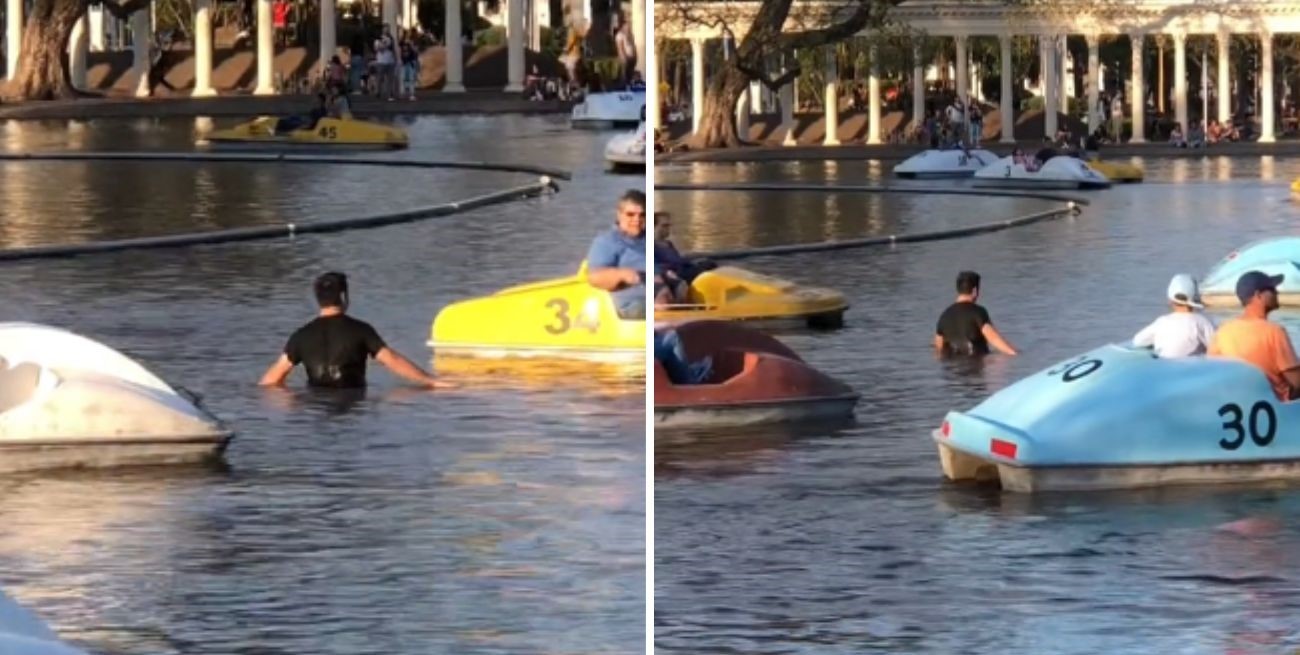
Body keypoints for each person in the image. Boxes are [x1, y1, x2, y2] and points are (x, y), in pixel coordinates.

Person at [259, 272, 454, 389]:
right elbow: (391, 360)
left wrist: (291, 400)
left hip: (314, 405)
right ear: (344, 297)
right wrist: (431, 381)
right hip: (353, 401)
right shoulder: (361, 330)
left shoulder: (301, 336)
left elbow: (270, 381)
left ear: (318, 298)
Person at [1208, 271, 1300, 400]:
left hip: (1238, 401)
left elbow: (1212, 373)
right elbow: (1296, 383)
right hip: (1275, 405)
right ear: (1258, 295)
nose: (1277, 292)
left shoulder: (1223, 331)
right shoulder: (1274, 332)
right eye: (1271, 289)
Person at [587, 190, 646, 319]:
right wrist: (622, 274)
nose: (637, 219)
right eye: (630, 214)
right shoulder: (606, 241)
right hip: (633, 305)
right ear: (619, 214)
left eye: (642, 215)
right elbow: (594, 277)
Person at [934, 271, 1018, 356]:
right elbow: (993, 338)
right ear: (975, 290)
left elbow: (938, 349)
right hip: (975, 361)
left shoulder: (944, 316)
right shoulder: (978, 312)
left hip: (951, 362)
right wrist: (1014, 353)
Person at [1131, 274, 1217, 358]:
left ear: (1170, 300)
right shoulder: (1201, 322)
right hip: (1192, 365)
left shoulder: (1162, 321)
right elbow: (1217, 345)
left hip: (1163, 363)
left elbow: (1138, 341)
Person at [653, 211, 715, 304]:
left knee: (708, 264)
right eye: (664, 226)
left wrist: (694, 262)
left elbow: (678, 260)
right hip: (671, 275)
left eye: (669, 226)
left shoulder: (668, 244)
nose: (668, 229)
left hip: (681, 270)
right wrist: (665, 271)